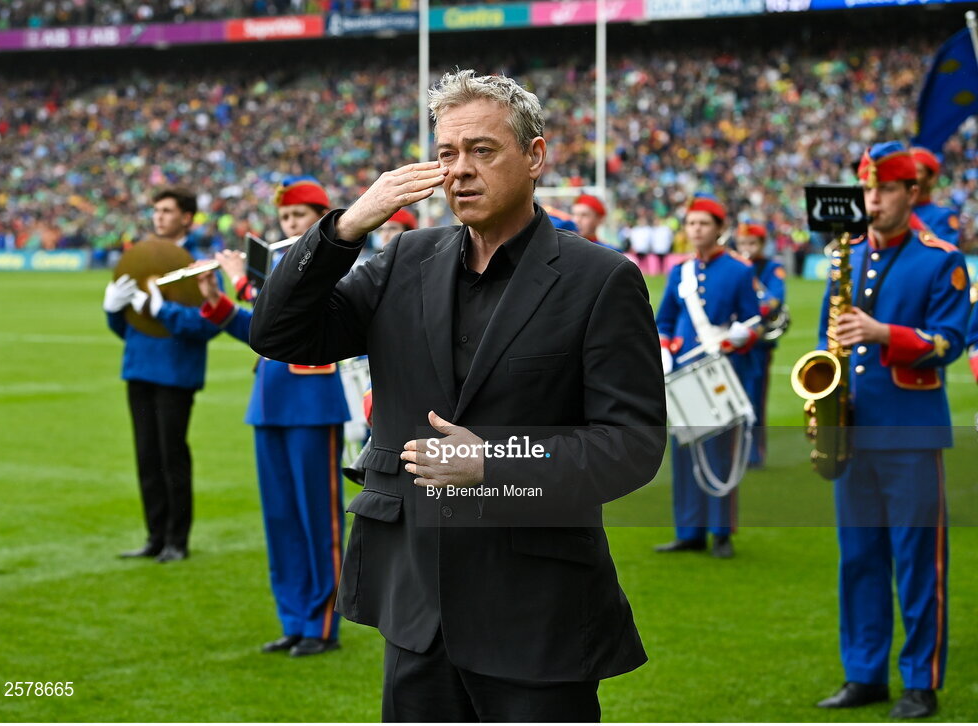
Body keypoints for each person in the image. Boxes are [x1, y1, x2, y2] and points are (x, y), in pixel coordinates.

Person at [248, 69, 667, 721]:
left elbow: (633, 446)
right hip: (418, 612)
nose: (460, 171)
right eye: (446, 153)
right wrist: (347, 227)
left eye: (482, 150)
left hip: (537, 615)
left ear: (535, 157)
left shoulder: (600, 278)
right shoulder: (403, 259)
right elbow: (276, 331)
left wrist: (494, 462)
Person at [814, 141, 970, 719]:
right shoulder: (844, 254)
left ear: (912, 194)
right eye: (867, 190)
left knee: (917, 562)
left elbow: (948, 342)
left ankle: (921, 681)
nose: (872, 201)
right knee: (858, 558)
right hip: (851, 433)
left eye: (883, 191)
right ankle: (864, 674)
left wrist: (884, 334)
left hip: (910, 434)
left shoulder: (941, 259)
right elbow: (828, 336)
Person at [204, 177, 351, 657]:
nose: (290, 224)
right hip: (269, 402)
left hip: (311, 401)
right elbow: (264, 332)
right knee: (282, 519)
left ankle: (323, 624)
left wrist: (246, 280)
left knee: (318, 520)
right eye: (286, 218)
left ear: (321, 220)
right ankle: (294, 618)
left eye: (300, 216)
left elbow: (292, 309)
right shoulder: (275, 265)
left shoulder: (331, 260)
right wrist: (217, 301)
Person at [103, 187, 246, 563]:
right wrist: (113, 311)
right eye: (155, 211)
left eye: (167, 211)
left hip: (175, 372)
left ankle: (176, 540)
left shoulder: (199, 263)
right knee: (146, 457)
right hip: (139, 367)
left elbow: (206, 324)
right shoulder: (142, 259)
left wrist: (160, 310)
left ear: (187, 217)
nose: (159, 217)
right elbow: (131, 327)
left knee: (172, 456)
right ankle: (154, 536)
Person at [654, 195, 761, 559]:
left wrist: (743, 334)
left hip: (720, 368)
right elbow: (665, 318)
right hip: (684, 369)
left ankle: (721, 532)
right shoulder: (679, 271)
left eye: (703, 224)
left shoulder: (740, 269)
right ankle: (689, 531)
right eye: (691, 224)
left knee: (720, 451)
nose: (695, 230)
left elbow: (753, 320)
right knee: (685, 450)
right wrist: (665, 347)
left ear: (719, 229)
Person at [735, 221, 786, 467]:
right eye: (743, 243)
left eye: (752, 243)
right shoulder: (733, 266)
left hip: (759, 344)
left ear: (762, 245)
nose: (747, 248)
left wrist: (753, 285)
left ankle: (755, 452)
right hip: (733, 342)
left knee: (755, 396)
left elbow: (774, 301)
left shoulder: (772, 268)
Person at [910, 147, 960, 247]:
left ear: (932, 178)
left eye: (918, 171)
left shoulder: (944, 216)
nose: (912, 176)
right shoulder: (895, 211)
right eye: (909, 171)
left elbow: (946, 252)